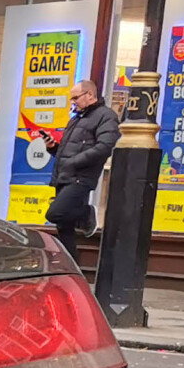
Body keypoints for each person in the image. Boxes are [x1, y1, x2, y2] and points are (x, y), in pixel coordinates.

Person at [46, 78, 120, 255]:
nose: (73, 102)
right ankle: (72, 272)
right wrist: (52, 147)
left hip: (81, 178)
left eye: (75, 98)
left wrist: (75, 161)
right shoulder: (76, 119)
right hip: (64, 176)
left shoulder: (106, 116)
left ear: (90, 95)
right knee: (64, 228)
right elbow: (66, 152)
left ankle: (85, 213)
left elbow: (105, 147)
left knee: (55, 213)